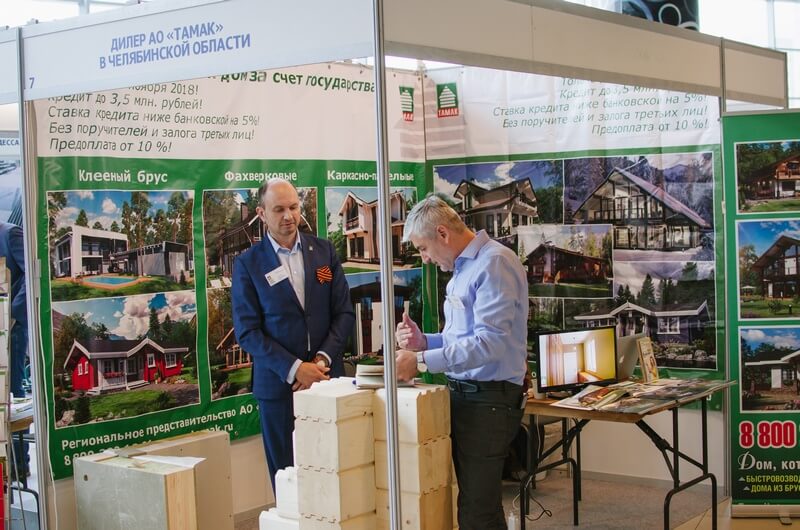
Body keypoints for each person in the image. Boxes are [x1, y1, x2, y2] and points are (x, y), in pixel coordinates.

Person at [394, 195, 528, 530]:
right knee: (476, 502)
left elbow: (489, 344)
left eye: (423, 248)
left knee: (477, 510)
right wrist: (425, 342)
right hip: (470, 396)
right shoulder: (463, 268)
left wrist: (420, 361)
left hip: (489, 400)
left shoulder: (494, 263)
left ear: (442, 233)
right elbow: (462, 339)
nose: (425, 259)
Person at [232, 179, 354, 490]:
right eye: (279, 209)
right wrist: (296, 368)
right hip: (278, 389)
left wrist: (321, 362)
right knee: (288, 480)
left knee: (337, 475)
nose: (288, 216)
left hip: (327, 380)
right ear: (261, 213)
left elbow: (343, 313)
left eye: (294, 207)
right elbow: (248, 332)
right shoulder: (248, 264)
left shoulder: (324, 252)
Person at [0, 221, 29, 477]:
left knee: (13, 393)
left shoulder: (10, 233)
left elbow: (31, 275)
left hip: (13, 328)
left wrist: (13, 315)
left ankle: (19, 464)